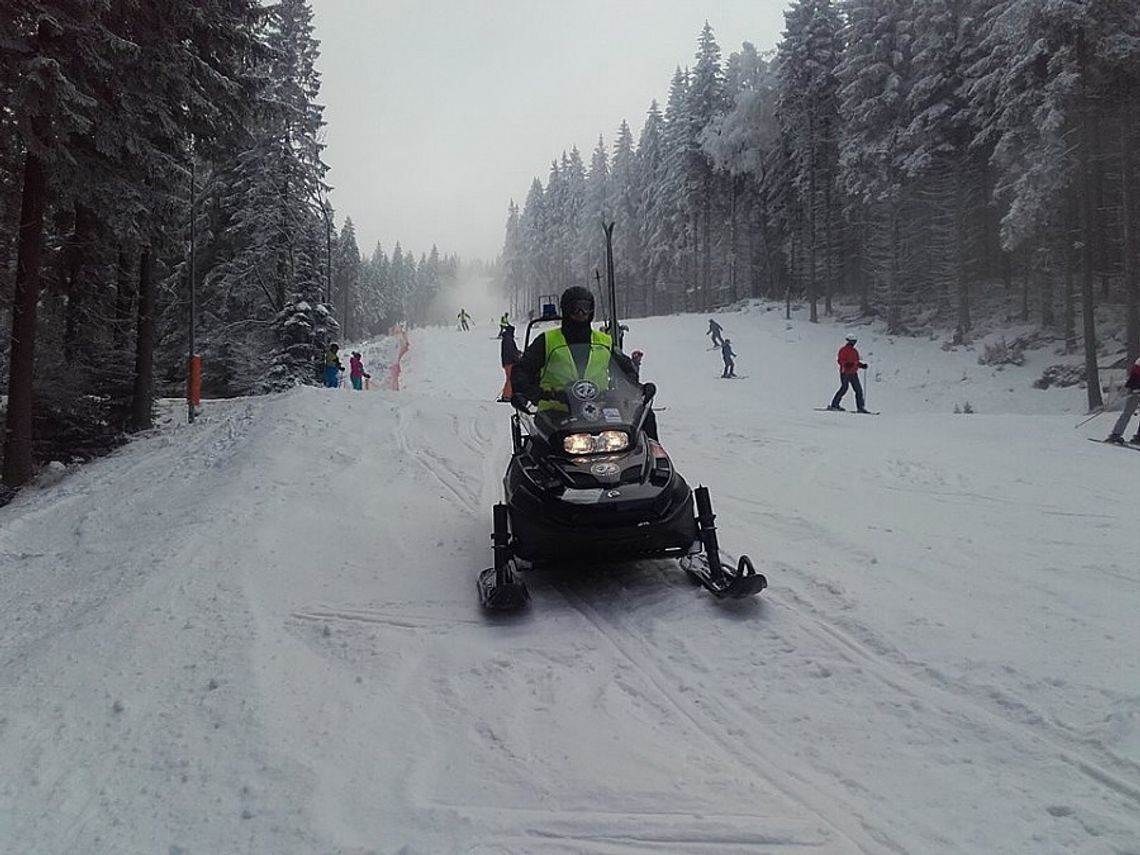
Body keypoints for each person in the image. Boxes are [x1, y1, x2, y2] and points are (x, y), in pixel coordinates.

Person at [511, 285, 658, 440]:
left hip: (599, 408)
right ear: (566, 310)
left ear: (592, 311)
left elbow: (626, 369)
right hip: (555, 411)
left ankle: (654, 456)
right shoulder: (547, 341)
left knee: (641, 425)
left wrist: (637, 389)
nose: (581, 313)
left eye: (585, 308)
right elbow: (522, 370)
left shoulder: (604, 342)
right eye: (575, 309)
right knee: (539, 450)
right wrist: (532, 394)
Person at [828, 333, 869, 412]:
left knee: (858, 390)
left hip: (853, 373)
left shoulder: (854, 351)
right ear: (849, 341)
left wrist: (861, 365)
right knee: (844, 388)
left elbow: (855, 362)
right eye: (853, 341)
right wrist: (846, 364)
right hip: (845, 372)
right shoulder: (843, 350)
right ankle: (835, 404)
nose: (854, 343)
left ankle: (860, 407)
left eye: (854, 341)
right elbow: (840, 360)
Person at [1105, 355, 1140, 444]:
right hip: (1135, 390)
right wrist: (1135, 388)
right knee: (1128, 412)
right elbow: (1134, 376)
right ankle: (1115, 435)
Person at [498, 324, 520, 402]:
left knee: (510, 378)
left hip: (507, 361)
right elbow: (510, 352)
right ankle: (507, 396)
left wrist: (518, 352)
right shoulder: (508, 339)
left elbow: (512, 350)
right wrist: (517, 359)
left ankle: (507, 394)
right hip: (509, 362)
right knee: (510, 379)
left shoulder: (507, 338)